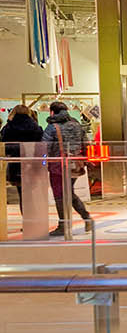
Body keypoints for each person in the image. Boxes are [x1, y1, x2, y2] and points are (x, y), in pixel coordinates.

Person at [42, 100, 91, 236]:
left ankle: (63, 225)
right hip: (75, 164)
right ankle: (87, 217)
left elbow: (44, 147)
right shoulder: (76, 124)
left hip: (58, 166)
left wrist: (43, 164)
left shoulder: (52, 127)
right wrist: (85, 160)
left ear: (52, 112)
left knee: (59, 194)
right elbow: (86, 143)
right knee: (69, 192)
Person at [3, 102, 42, 201]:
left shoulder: (8, 128)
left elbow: (4, 146)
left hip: (16, 164)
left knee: (22, 194)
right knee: (34, 192)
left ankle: (26, 215)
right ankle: (34, 214)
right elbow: (40, 146)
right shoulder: (36, 128)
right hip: (32, 163)